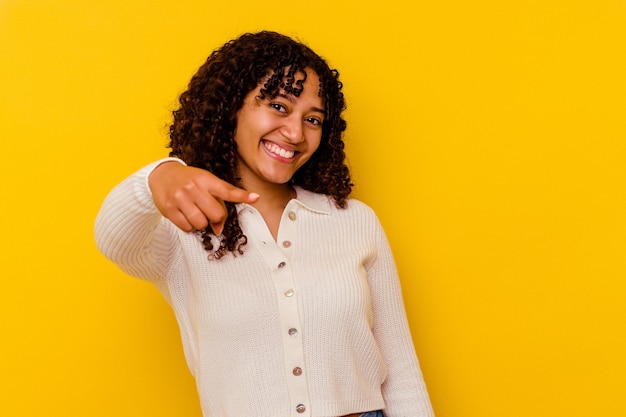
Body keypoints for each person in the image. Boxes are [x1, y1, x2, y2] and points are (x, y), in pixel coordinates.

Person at [95, 30, 434, 417]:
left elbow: (401, 371)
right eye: (277, 106)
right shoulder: (183, 227)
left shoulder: (354, 221)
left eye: (312, 119)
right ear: (231, 107)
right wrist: (157, 176)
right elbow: (113, 240)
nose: (295, 133)